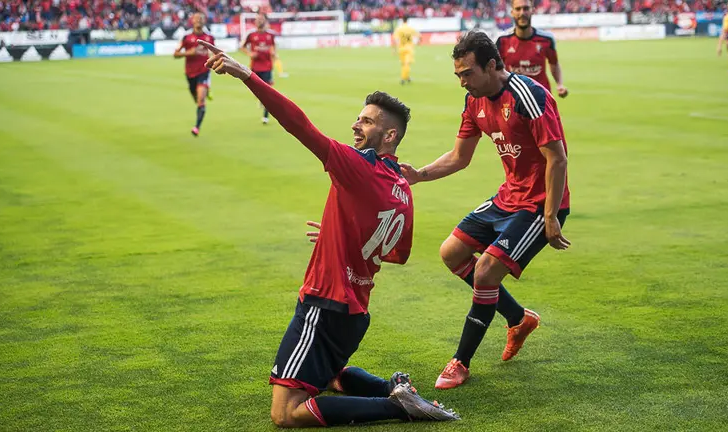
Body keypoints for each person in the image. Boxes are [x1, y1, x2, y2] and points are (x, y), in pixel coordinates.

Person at [198, 40, 460, 427]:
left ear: (389, 136)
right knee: (332, 377)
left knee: (286, 412)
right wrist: (342, 231)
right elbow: (395, 252)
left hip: (326, 302)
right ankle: (395, 386)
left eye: (367, 121)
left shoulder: (359, 167)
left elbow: (300, 125)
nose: (356, 124)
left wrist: (245, 74)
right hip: (355, 312)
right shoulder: (403, 186)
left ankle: (397, 407)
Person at [399, 31, 571, 390]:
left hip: (540, 204)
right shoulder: (473, 101)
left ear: (492, 65)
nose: (462, 81)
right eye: (458, 74)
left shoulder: (529, 96)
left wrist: (552, 215)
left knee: (486, 272)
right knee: (452, 252)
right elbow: (460, 157)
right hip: (508, 197)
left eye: (467, 73)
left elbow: (556, 157)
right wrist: (419, 176)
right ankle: (518, 318)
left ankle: (460, 362)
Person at [496, 0, 568, 98]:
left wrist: (559, 84)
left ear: (532, 10)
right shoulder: (502, 40)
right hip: (513, 99)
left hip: (541, 98)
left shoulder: (546, 39)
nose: (522, 13)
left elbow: (554, 63)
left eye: (526, 8)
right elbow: (496, 70)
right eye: (518, 9)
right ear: (512, 12)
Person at [173, 13, 215, 137]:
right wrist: (189, 53)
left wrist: (214, 60)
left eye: (201, 19)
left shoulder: (209, 38)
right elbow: (175, 54)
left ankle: (197, 127)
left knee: (201, 100)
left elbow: (213, 53)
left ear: (204, 21)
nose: (198, 21)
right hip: (190, 73)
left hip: (204, 72)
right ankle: (207, 91)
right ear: (192, 21)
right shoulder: (186, 38)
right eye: (196, 19)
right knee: (196, 98)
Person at [241, 12, 278, 124]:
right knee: (256, 91)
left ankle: (265, 117)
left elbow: (273, 46)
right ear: (255, 22)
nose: (259, 21)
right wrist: (250, 54)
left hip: (267, 67)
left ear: (265, 21)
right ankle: (260, 99)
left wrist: (274, 53)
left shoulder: (270, 35)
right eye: (258, 19)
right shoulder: (251, 35)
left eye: (261, 19)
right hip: (255, 67)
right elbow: (242, 47)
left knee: (268, 92)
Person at [392, 16, 420, 85]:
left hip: (401, 48)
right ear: (407, 20)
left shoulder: (399, 29)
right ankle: (403, 78)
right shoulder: (410, 28)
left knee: (403, 64)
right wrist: (418, 42)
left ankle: (407, 77)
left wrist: (394, 49)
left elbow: (395, 39)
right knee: (407, 64)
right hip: (409, 48)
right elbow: (419, 36)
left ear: (402, 20)